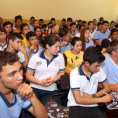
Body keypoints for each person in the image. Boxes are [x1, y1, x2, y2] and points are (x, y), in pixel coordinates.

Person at [68, 46, 113, 118]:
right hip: (76, 105)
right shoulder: (75, 73)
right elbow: (78, 100)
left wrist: (93, 96)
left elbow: (107, 88)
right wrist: (101, 99)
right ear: (86, 63)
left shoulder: (98, 69)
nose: (98, 68)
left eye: (99, 65)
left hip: (93, 104)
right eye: (96, 66)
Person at [0, 51, 48, 118]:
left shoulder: (19, 90)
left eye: (20, 69)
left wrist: (32, 96)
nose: (21, 77)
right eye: (12, 74)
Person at [26, 34, 65, 105]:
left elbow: (61, 73)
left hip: (51, 89)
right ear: (47, 46)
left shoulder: (60, 57)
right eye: (56, 47)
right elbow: (28, 75)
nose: (58, 49)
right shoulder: (35, 57)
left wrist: (53, 80)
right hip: (35, 87)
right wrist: (40, 82)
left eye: (59, 47)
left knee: (52, 112)